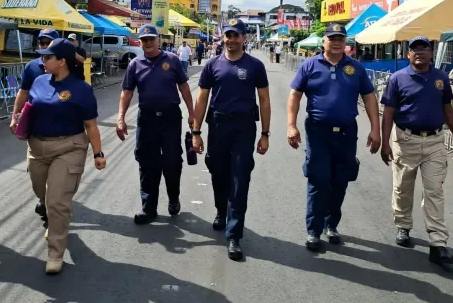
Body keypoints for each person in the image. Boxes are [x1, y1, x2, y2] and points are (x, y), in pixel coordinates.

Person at [13, 38, 106, 274]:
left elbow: (91, 125)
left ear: (62, 62)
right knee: (41, 193)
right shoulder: (39, 80)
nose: (42, 60)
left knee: (57, 201)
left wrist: (98, 153)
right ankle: (54, 217)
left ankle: (55, 253)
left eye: (47, 57)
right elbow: (28, 105)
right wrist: (17, 119)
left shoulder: (81, 89)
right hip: (37, 147)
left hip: (69, 147)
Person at [287, 23, 380, 252]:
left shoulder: (356, 68)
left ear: (345, 42)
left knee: (340, 181)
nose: (337, 42)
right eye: (332, 38)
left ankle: (331, 225)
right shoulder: (309, 65)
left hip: (347, 133)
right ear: (324, 42)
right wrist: (291, 125)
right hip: (318, 132)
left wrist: (375, 129)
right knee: (319, 180)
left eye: (341, 38)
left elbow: (369, 98)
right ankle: (314, 231)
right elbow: (295, 96)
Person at [378, 36, 453, 266]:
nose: (419, 52)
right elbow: (388, 113)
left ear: (431, 52)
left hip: (435, 142)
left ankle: (438, 244)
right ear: (408, 54)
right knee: (403, 188)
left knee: (434, 191)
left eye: (424, 48)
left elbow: (448, 109)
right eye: (414, 48)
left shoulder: (441, 78)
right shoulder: (397, 79)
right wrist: (385, 142)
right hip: (406, 140)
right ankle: (403, 225)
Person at [192, 19, 271, 261]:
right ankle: (220, 211)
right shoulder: (212, 64)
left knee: (240, 178)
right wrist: (196, 132)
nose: (232, 39)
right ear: (223, 37)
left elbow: (265, 100)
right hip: (217, 126)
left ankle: (234, 235)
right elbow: (202, 98)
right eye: (228, 35)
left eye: (236, 35)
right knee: (218, 172)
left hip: (244, 128)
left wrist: (265, 133)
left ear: (244, 38)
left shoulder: (255, 66)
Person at [116, 24, 195, 224]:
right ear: (140, 42)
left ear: (158, 40)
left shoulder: (173, 60)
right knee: (146, 163)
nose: (148, 43)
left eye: (152, 39)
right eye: (144, 40)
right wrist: (120, 118)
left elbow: (184, 87)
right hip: (147, 119)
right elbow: (127, 92)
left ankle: (173, 197)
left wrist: (192, 113)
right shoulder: (135, 64)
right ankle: (148, 208)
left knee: (172, 161)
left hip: (170, 118)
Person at [10, 28, 59, 228]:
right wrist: (15, 116)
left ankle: (51, 208)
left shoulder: (68, 64)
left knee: (57, 172)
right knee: (37, 171)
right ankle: (44, 198)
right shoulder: (32, 67)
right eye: (42, 43)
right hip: (35, 127)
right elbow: (23, 93)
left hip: (60, 128)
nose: (44, 46)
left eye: (49, 43)